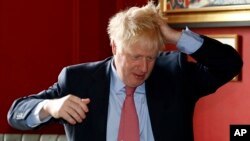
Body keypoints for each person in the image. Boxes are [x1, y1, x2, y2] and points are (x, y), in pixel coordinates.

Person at [7, 1, 243, 141]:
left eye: (150, 58)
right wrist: (51, 106)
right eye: (135, 57)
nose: (143, 68)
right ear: (114, 47)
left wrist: (176, 36)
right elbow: (15, 114)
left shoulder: (174, 74)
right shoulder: (78, 80)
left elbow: (229, 65)